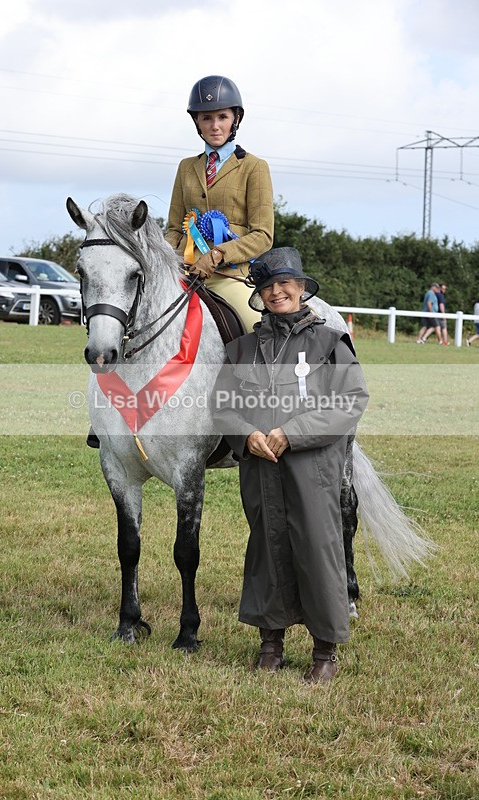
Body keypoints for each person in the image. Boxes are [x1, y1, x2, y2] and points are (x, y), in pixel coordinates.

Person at [212, 248, 369, 682]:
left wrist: (293, 433)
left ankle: (324, 652)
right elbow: (222, 404)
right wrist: (246, 435)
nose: (277, 292)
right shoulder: (241, 348)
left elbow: (350, 400)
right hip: (261, 468)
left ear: (301, 289)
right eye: (268, 286)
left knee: (318, 550)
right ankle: (270, 644)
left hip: (312, 468)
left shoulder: (329, 342)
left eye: (286, 284)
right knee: (266, 548)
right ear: (259, 294)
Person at [165, 75, 274, 333]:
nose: (215, 126)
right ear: (197, 123)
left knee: (257, 328)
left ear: (235, 119)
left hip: (230, 276)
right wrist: (173, 258)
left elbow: (263, 235)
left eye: (222, 117)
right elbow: (172, 229)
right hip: (184, 273)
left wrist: (217, 255)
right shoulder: (185, 167)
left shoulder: (254, 167)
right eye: (206, 118)